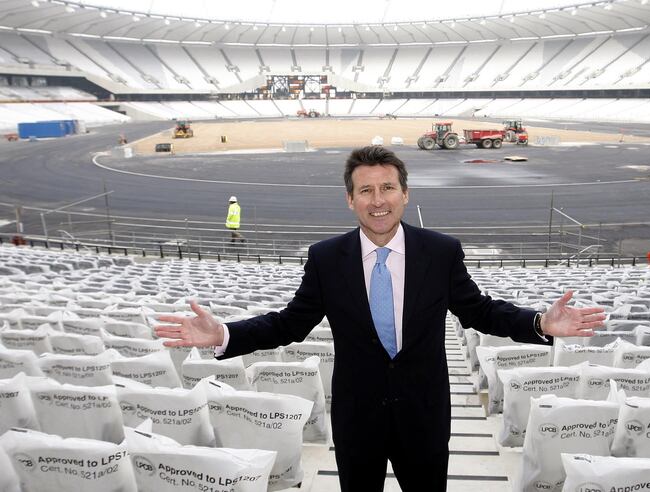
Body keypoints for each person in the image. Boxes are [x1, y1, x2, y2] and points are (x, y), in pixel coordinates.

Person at [155, 146, 605, 491]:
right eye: (366, 190)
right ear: (350, 200)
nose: (378, 201)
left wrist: (538, 325)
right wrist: (224, 333)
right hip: (357, 418)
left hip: (424, 414)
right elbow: (289, 324)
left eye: (387, 188)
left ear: (405, 194)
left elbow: (479, 310)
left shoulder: (440, 251)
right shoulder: (327, 258)